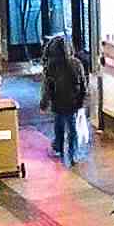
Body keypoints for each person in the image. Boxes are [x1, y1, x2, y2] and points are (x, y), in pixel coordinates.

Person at [40, 30, 87, 166]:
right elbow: (83, 84)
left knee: (59, 126)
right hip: (73, 102)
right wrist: (81, 100)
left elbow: (47, 87)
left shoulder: (51, 66)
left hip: (58, 102)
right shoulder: (76, 64)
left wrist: (44, 103)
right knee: (73, 129)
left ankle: (58, 148)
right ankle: (73, 154)